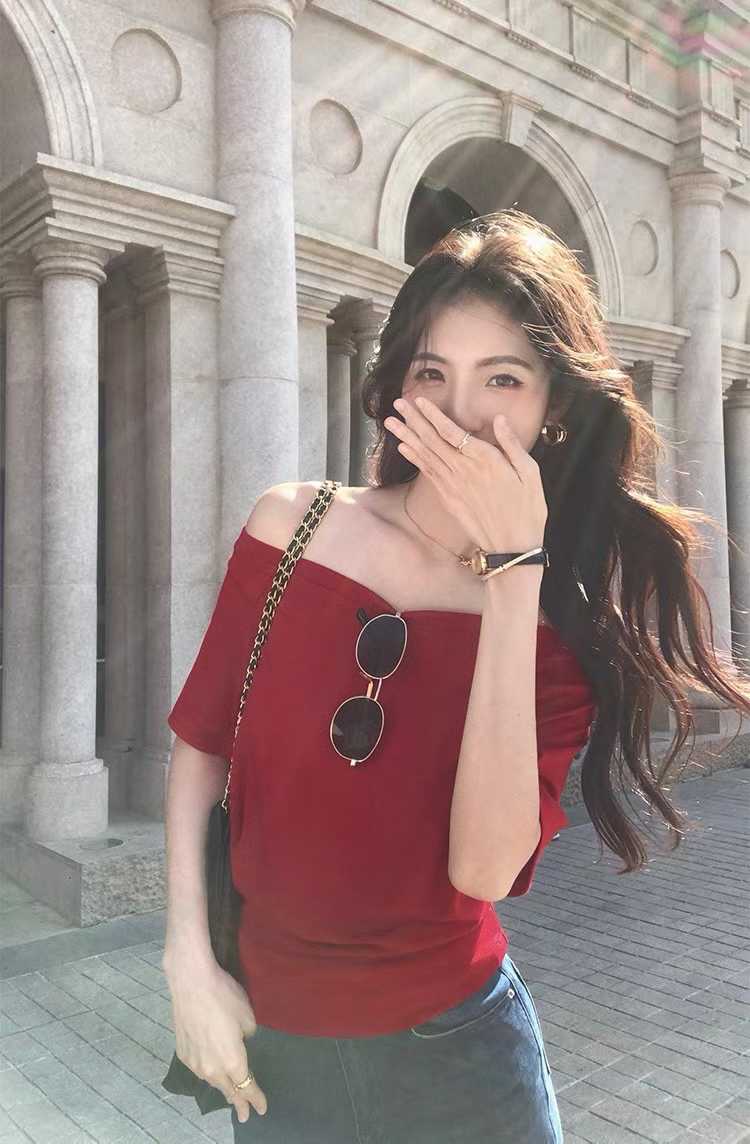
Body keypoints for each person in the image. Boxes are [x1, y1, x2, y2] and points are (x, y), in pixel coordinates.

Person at [162, 210, 750, 1143]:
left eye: (502, 379)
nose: (457, 412)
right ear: (401, 381)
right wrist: (188, 965)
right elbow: (201, 746)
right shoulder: (292, 525)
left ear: (555, 409)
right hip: (272, 1053)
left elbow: (483, 869)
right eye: (433, 372)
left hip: (461, 1061)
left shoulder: (561, 629)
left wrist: (514, 573)